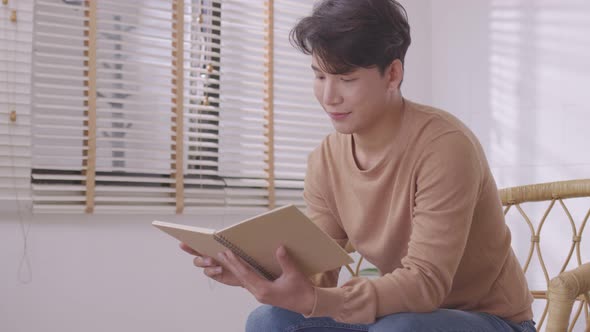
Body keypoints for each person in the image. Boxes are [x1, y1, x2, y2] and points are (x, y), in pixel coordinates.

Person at [180, 0, 536, 331]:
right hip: (400, 312)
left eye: (346, 79)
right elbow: (316, 270)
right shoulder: (325, 160)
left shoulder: (444, 147)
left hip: (488, 318)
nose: (329, 96)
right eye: (319, 76)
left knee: (397, 329)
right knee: (269, 321)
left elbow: (426, 283)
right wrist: (257, 274)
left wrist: (322, 300)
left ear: (392, 74)